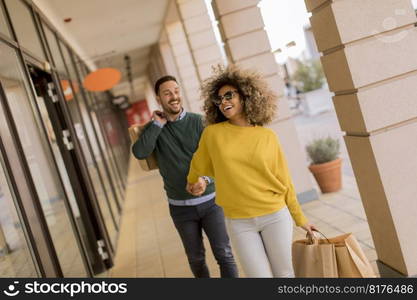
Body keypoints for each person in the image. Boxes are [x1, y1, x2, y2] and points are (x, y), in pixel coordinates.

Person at [186, 66, 317, 278]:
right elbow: (198, 163)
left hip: (275, 215)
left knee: (284, 274)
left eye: (229, 95)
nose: (224, 102)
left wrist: (300, 218)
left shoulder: (267, 136)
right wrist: (193, 181)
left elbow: (284, 180)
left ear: (245, 95)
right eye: (219, 99)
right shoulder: (213, 134)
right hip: (239, 221)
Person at [132, 75, 238, 278]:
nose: (174, 97)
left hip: (211, 202)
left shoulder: (199, 122)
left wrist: (205, 180)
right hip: (180, 208)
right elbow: (140, 152)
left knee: (224, 254)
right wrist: (156, 125)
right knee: (196, 259)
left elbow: (218, 160)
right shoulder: (154, 128)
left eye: (176, 91)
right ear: (158, 98)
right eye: (167, 93)